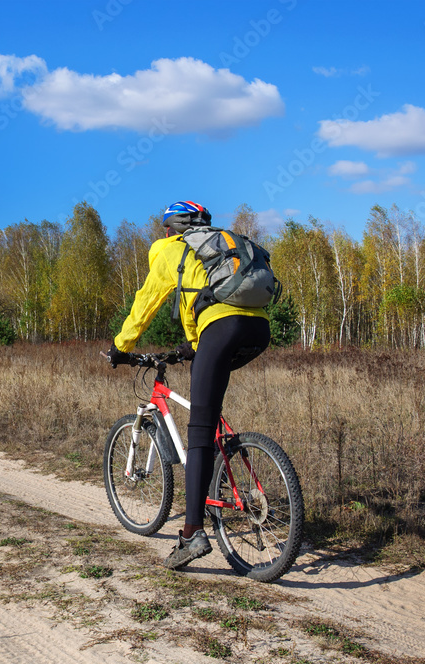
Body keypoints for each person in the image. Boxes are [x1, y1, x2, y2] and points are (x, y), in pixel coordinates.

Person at [107, 200, 271, 570]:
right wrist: (190, 346)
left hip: (221, 329)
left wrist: (121, 347)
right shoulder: (220, 248)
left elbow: (145, 303)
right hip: (258, 329)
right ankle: (216, 471)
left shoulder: (170, 251)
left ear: (169, 229)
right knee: (208, 410)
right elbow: (208, 301)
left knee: (198, 432)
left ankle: (191, 534)